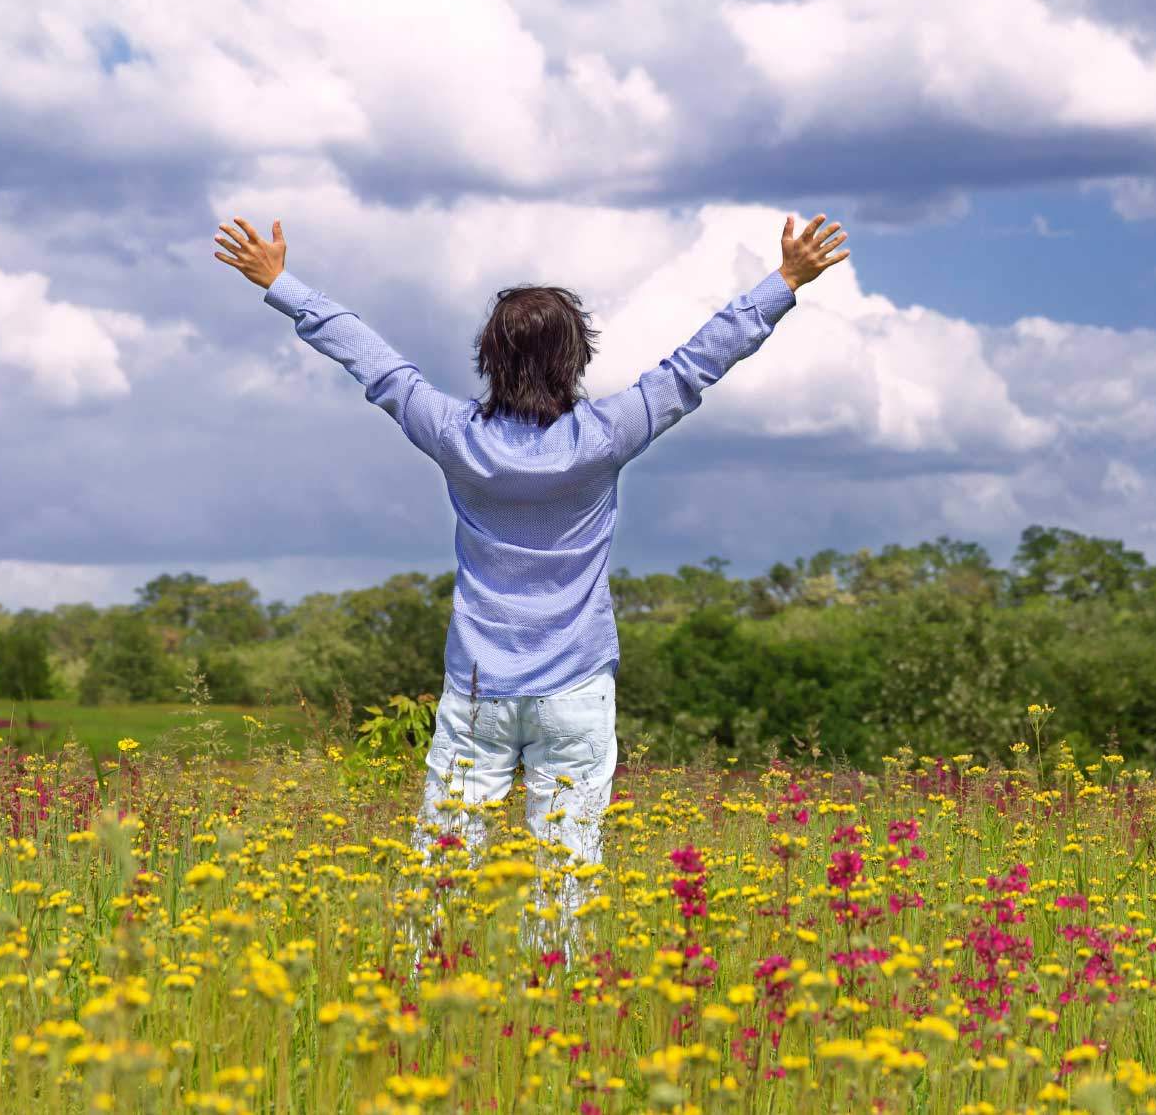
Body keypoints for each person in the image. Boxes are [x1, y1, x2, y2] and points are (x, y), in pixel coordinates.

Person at [213, 211, 849, 948]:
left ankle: (421, 1004)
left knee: (443, 867)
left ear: (488, 358)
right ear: (577, 359)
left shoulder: (456, 436)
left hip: (479, 690)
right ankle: (556, 1013)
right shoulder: (607, 436)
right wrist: (785, 281)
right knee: (568, 870)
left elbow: (374, 362)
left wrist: (282, 283)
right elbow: (696, 363)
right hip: (577, 688)